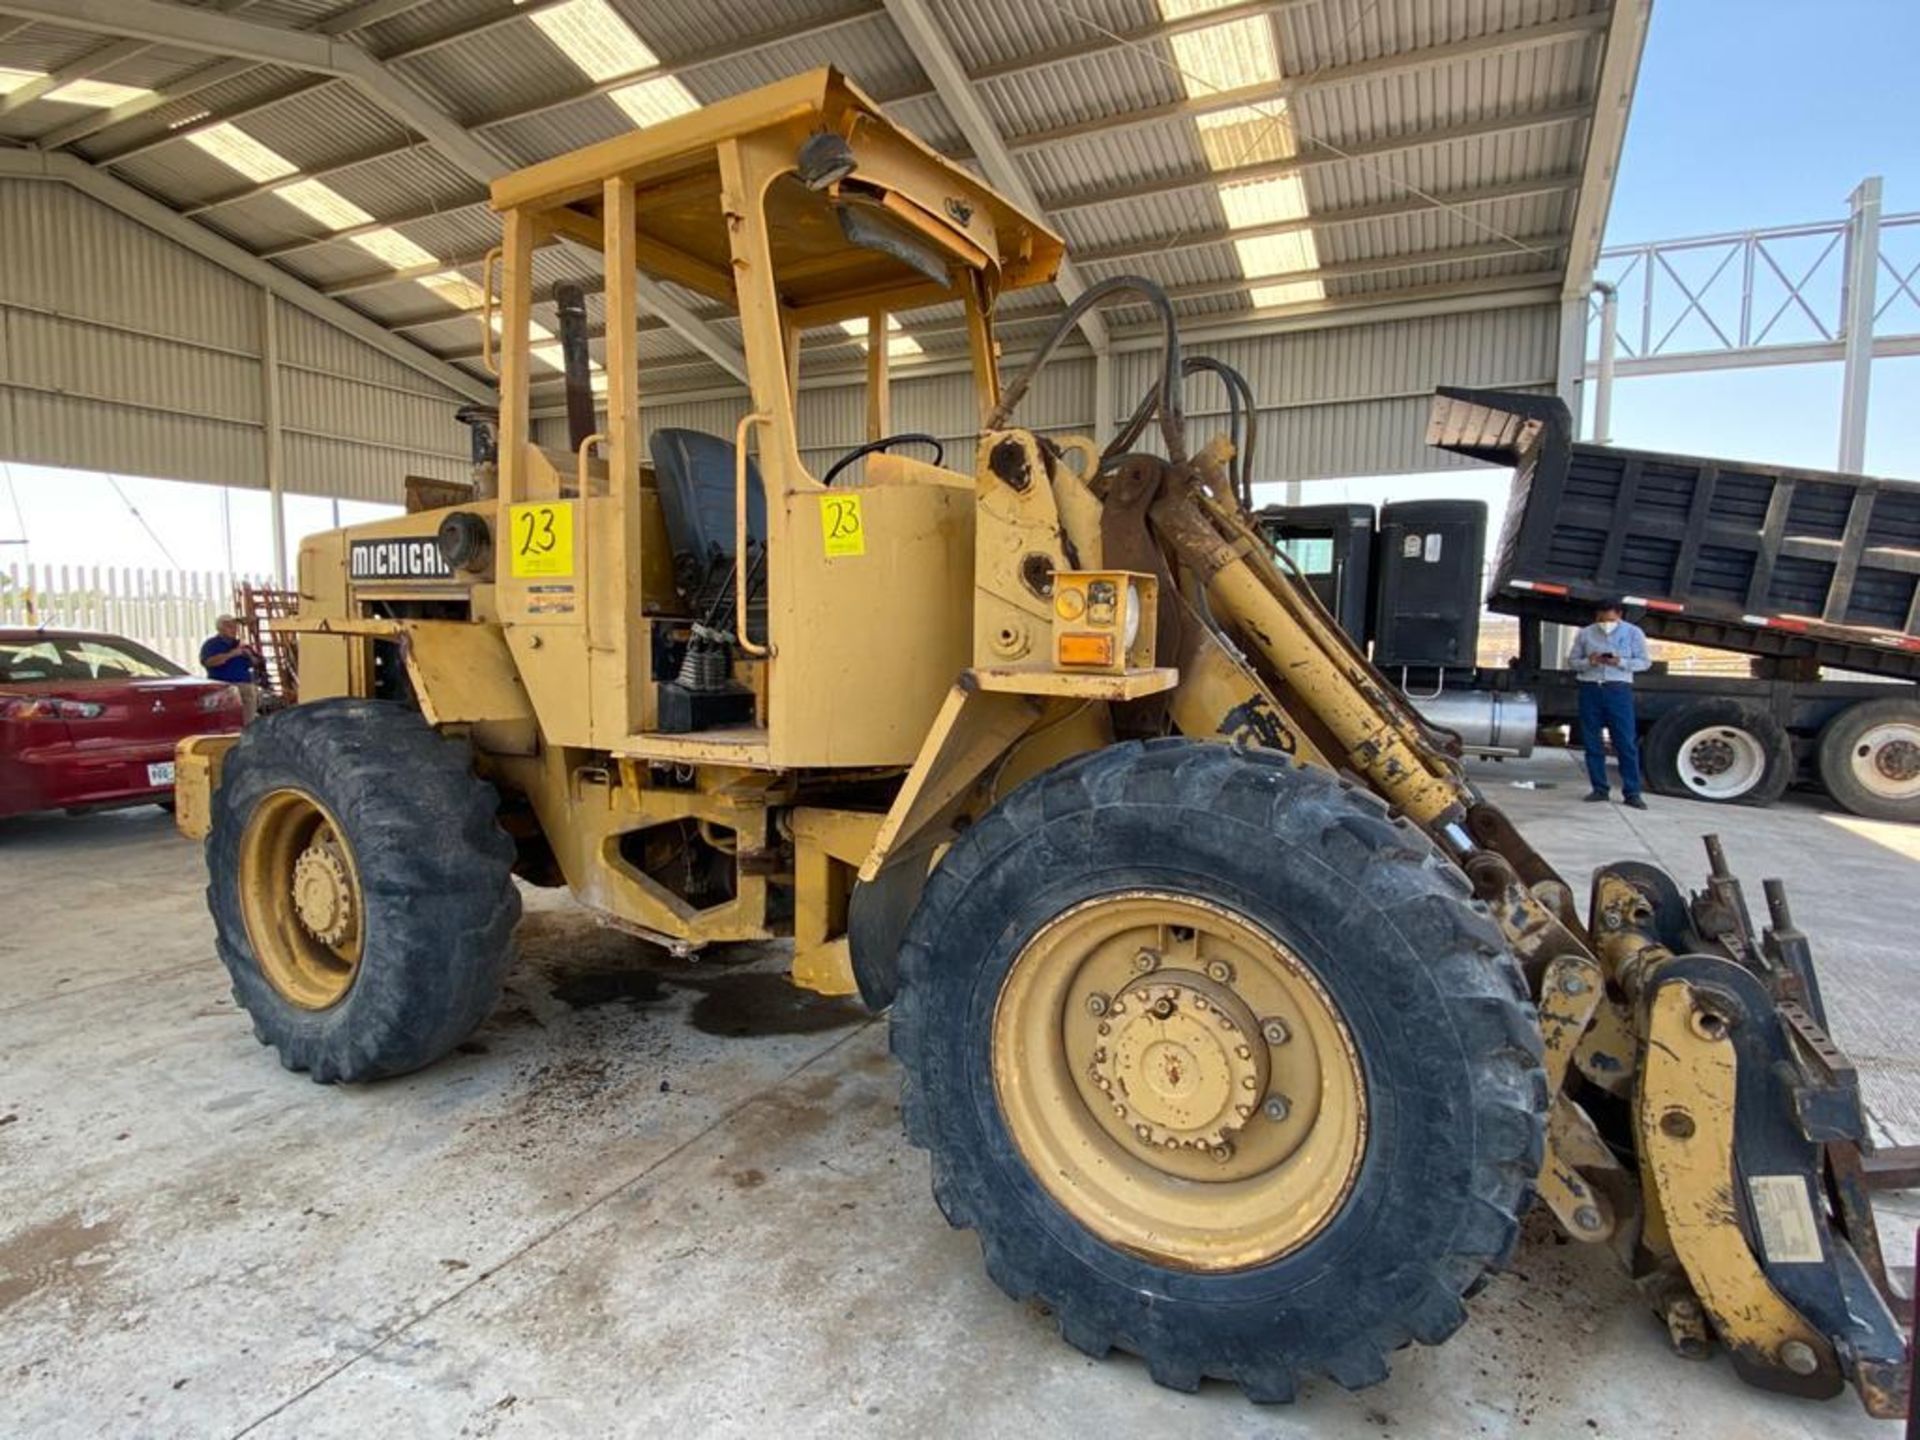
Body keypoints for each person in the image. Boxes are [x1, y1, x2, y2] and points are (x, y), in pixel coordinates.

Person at [1569, 600, 1651, 808]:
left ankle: (1632, 792)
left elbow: (1644, 662)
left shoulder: (1633, 633)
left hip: (1618, 688)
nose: (1605, 624)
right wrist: (1590, 662)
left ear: (1619, 615)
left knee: (1625, 742)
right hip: (1591, 688)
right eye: (1601, 619)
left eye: (1610, 620)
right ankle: (1599, 788)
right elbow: (1572, 662)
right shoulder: (1585, 633)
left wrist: (1620, 662)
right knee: (1591, 741)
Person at [200, 615, 260, 724]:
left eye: (234, 626)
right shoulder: (211, 644)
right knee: (225, 718)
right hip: (223, 685)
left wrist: (250, 655)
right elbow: (209, 662)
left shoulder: (240, 644)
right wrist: (231, 654)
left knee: (248, 718)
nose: (234, 629)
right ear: (220, 628)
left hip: (245, 686)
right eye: (230, 626)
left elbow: (257, 663)